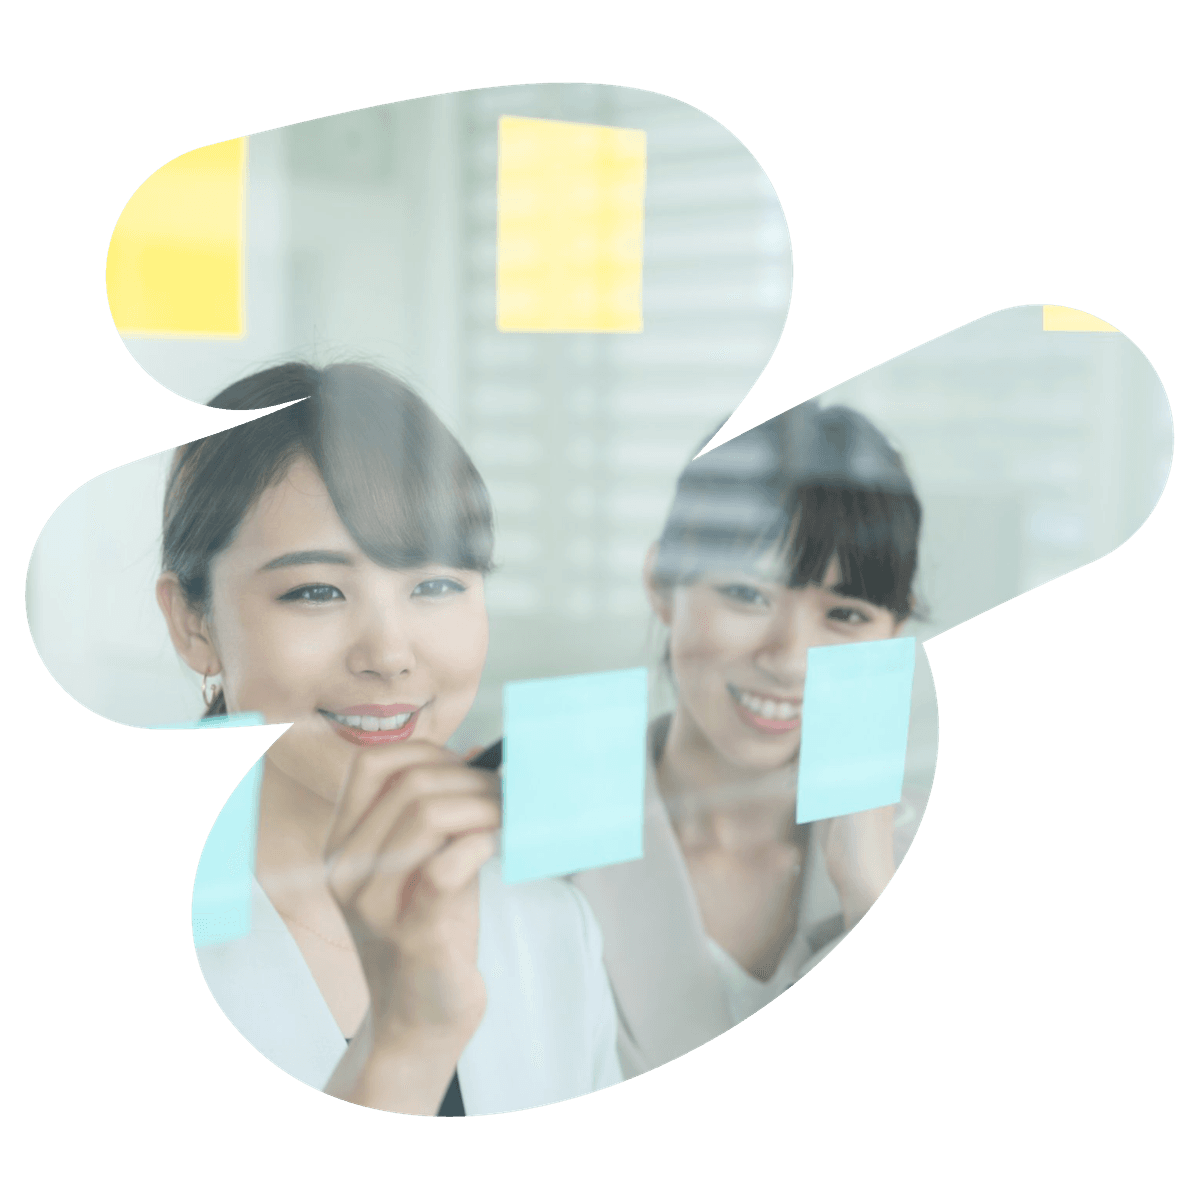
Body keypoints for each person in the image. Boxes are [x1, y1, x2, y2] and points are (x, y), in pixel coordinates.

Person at [157, 362, 621, 1116]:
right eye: (316, 591)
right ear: (193, 624)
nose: (391, 653)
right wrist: (403, 1047)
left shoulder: (550, 926)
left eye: (435, 585)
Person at [572, 400, 925, 1077]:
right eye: (748, 594)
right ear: (662, 583)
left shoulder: (909, 846)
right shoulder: (543, 822)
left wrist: (870, 893)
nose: (789, 657)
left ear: (893, 636)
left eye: (846, 614)